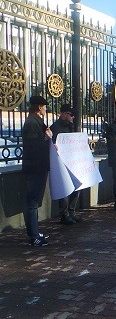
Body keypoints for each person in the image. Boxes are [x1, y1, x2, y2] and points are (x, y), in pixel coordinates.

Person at [22, 95, 52, 246]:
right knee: (32, 202)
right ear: (40, 107)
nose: (46, 109)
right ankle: (33, 236)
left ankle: (34, 232)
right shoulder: (31, 123)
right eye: (45, 107)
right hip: (35, 167)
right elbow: (33, 146)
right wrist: (46, 139)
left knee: (34, 201)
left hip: (38, 166)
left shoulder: (36, 122)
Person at [50, 103, 80, 225]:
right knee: (64, 189)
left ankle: (72, 211)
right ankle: (64, 214)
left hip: (73, 161)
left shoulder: (71, 126)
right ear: (63, 114)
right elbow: (50, 144)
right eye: (71, 115)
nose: (73, 117)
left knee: (77, 187)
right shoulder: (55, 128)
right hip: (61, 163)